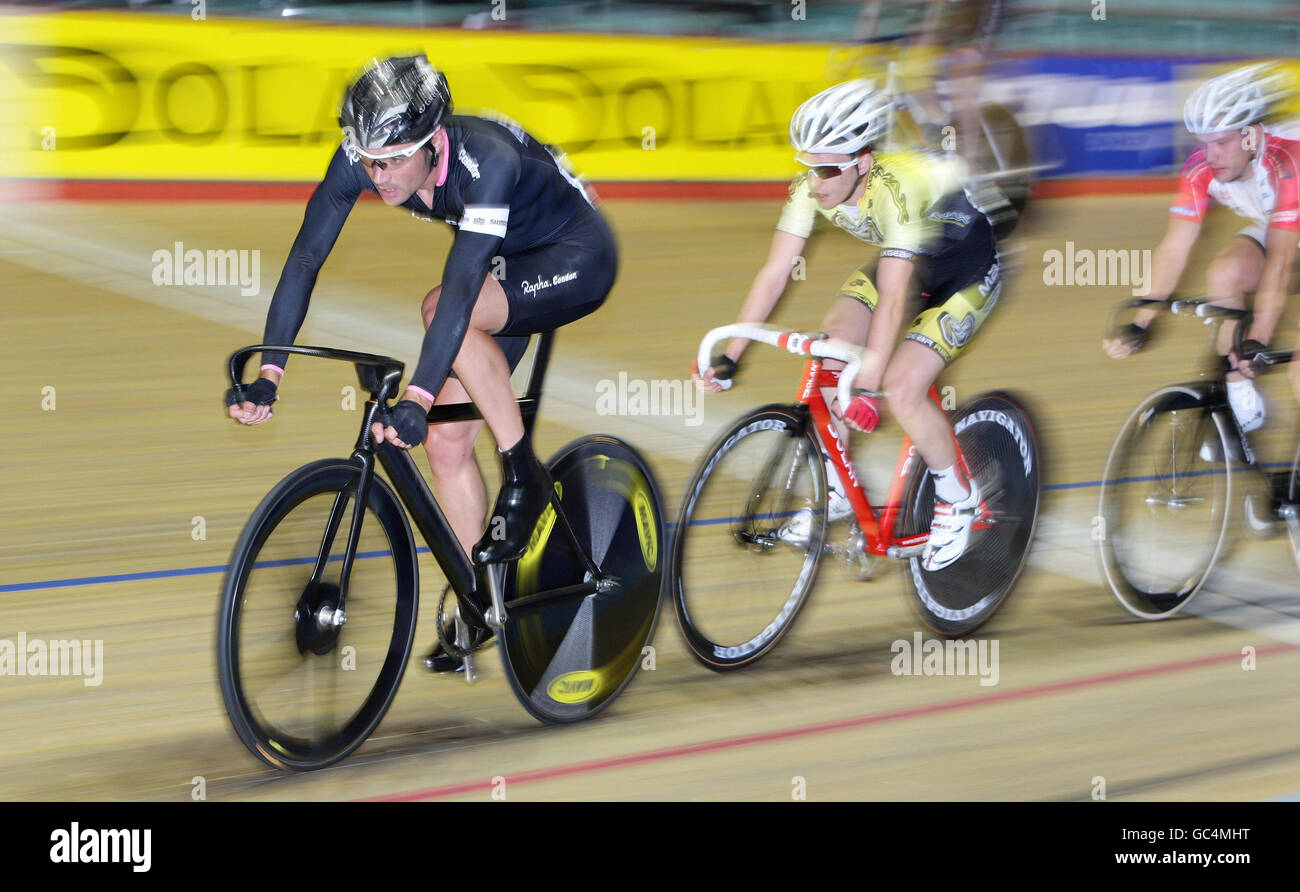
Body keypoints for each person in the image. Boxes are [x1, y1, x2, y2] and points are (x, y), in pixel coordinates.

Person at [226, 54, 618, 670]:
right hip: (504, 266)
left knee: (440, 311)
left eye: (392, 160)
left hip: (574, 256)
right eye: (367, 160)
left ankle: (525, 473)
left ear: (433, 143)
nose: (377, 177)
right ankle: (484, 605)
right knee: (445, 445)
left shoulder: (485, 162)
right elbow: (304, 261)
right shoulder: (364, 158)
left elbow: (461, 293)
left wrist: (418, 396)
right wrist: (270, 372)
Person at [693, 79, 1005, 572]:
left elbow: (897, 296)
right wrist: (732, 354)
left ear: (863, 161)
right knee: (832, 348)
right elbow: (775, 274)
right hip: (905, 264)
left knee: (902, 388)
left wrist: (870, 382)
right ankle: (838, 486)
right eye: (807, 165)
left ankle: (959, 497)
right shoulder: (809, 189)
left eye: (827, 168)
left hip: (964, 275)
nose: (815, 181)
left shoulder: (896, 190)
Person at [1103, 63, 1299, 439]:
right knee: (1223, 273)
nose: (1211, 155)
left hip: (1289, 237)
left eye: (1221, 142)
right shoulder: (1201, 168)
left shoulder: (1288, 161)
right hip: (1281, 226)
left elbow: (1281, 262)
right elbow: (1175, 247)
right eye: (1204, 142)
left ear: (1251, 135)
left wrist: (1260, 337)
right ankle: (1239, 392)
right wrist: (1142, 319)